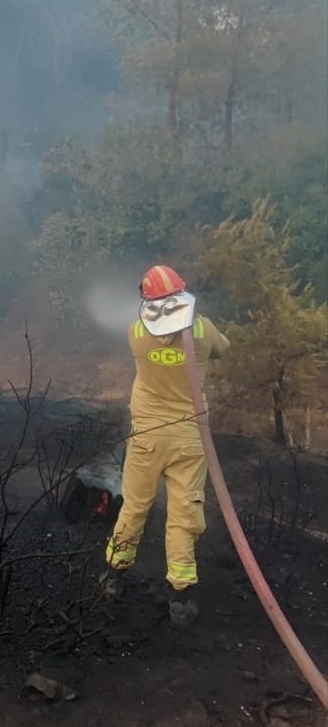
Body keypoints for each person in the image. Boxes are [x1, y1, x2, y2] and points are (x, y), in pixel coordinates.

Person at [101, 264, 230, 626]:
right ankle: (181, 599)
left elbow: (154, 330)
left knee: (135, 506)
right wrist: (195, 322)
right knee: (184, 515)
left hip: (146, 439)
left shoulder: (136, 334)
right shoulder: (202, 331)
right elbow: (225, 348)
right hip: (189, 439)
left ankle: (113, 577)